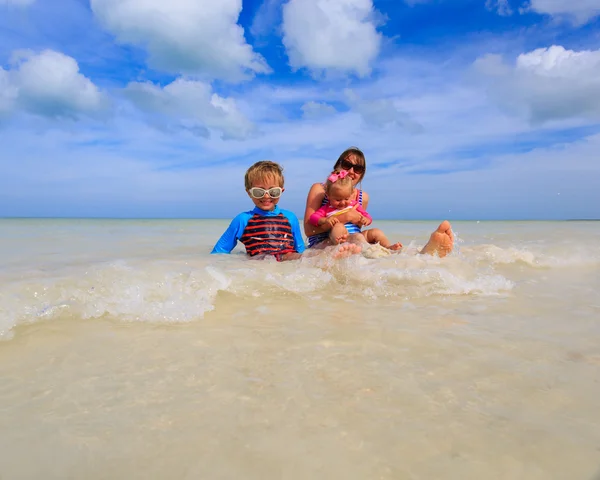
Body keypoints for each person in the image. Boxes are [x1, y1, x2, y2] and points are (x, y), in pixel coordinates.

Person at [304, 147, 454, 257]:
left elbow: (358, 226)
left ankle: (422, 254)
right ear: (337, 165)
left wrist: (363, 220)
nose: (351, 171)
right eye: (346, 165)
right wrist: (347, 216)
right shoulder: (320, 189)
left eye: (357, 168)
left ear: (362, 174)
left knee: (372, 235)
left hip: (355, 242)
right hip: (327, 242)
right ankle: (385, 255)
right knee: (359, 240)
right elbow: (309, 230)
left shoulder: (363, 197)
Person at [211, 161, 305, 261]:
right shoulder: (242, 220)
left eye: (273, 191)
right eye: (258, 192)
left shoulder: (290, 218)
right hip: (259, 266)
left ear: (281, 191)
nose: (266, 196)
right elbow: (219, 253)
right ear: (249, 193)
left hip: (286, 267)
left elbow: (301, 251)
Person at [308, 169, 402, 249]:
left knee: (376, 232)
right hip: (343, 237)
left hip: (358, 235)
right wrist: (325, 220)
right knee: (338, 226)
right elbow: (313, 218)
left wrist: (366, 219)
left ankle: (388, 247)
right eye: (338, 199)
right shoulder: (327, 208)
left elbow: (366, 215)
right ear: (328, 196)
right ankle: (341, 247)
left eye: (346, 198)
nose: (343, 202)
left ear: (351, 195)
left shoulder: (354, 205)